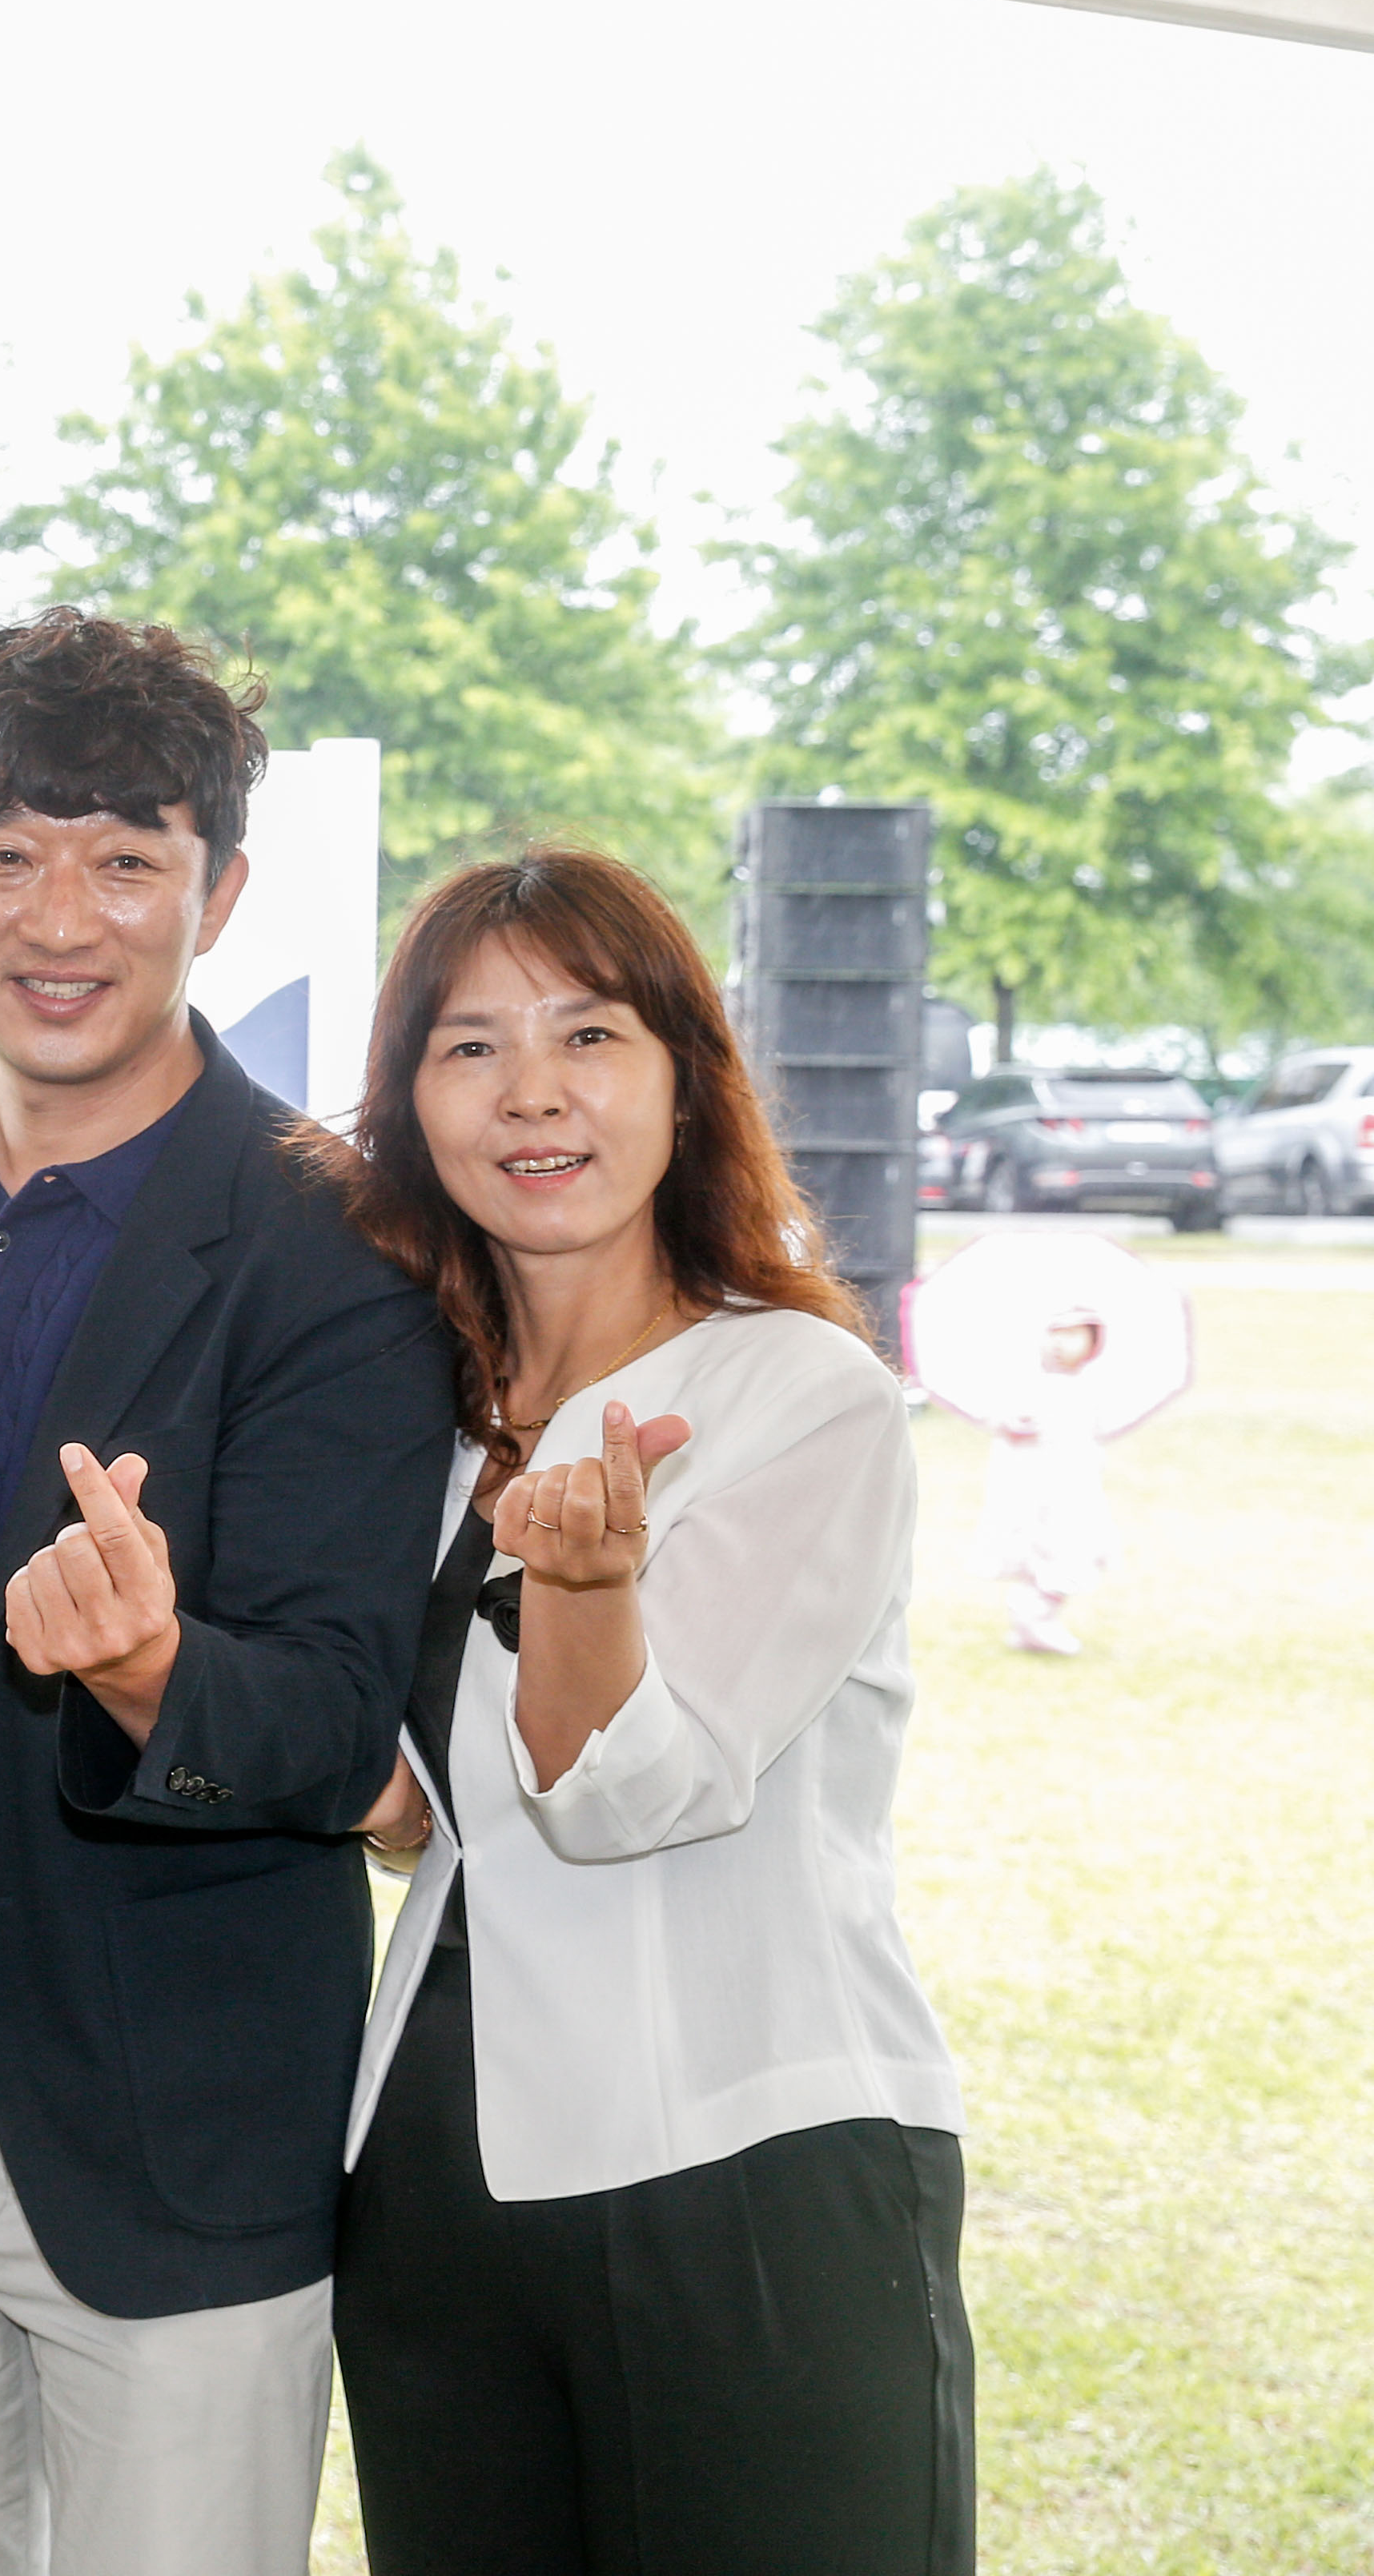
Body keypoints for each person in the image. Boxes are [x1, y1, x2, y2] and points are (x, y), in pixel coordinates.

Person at [0, 611, 455, 2575]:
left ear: (218, 895)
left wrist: (148, 1667)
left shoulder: (338, 1235)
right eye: (2, 852)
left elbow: (334, 1715)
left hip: (172, 2112)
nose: (58, 917)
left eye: (125, 858)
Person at [327, 846, 971, 2575]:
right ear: (410, 1104)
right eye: (468, 1046)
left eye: (589, 1034)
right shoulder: (415, 1417)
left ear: (686, 1077)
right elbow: (433, 1801)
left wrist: (586, 1591)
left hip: (743, 2160)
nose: (531, 1092)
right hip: (434, 2173)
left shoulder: (798, 1393)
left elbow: (630, 1793)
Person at [981, 1309, 1111, 1655]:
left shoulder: (1091, 1387)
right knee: (1031, 1550)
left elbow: (1096, 1432)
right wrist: (1010, 1422)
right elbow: (997, 1416)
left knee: (1068, 1551)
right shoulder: (1025, 1382)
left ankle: (1038, 1616)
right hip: (1027, 1488)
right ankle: (1031, 1618)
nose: (1060, 1344)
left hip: (1071, 1490)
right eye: (1055, 1333)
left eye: (1074, 1335)